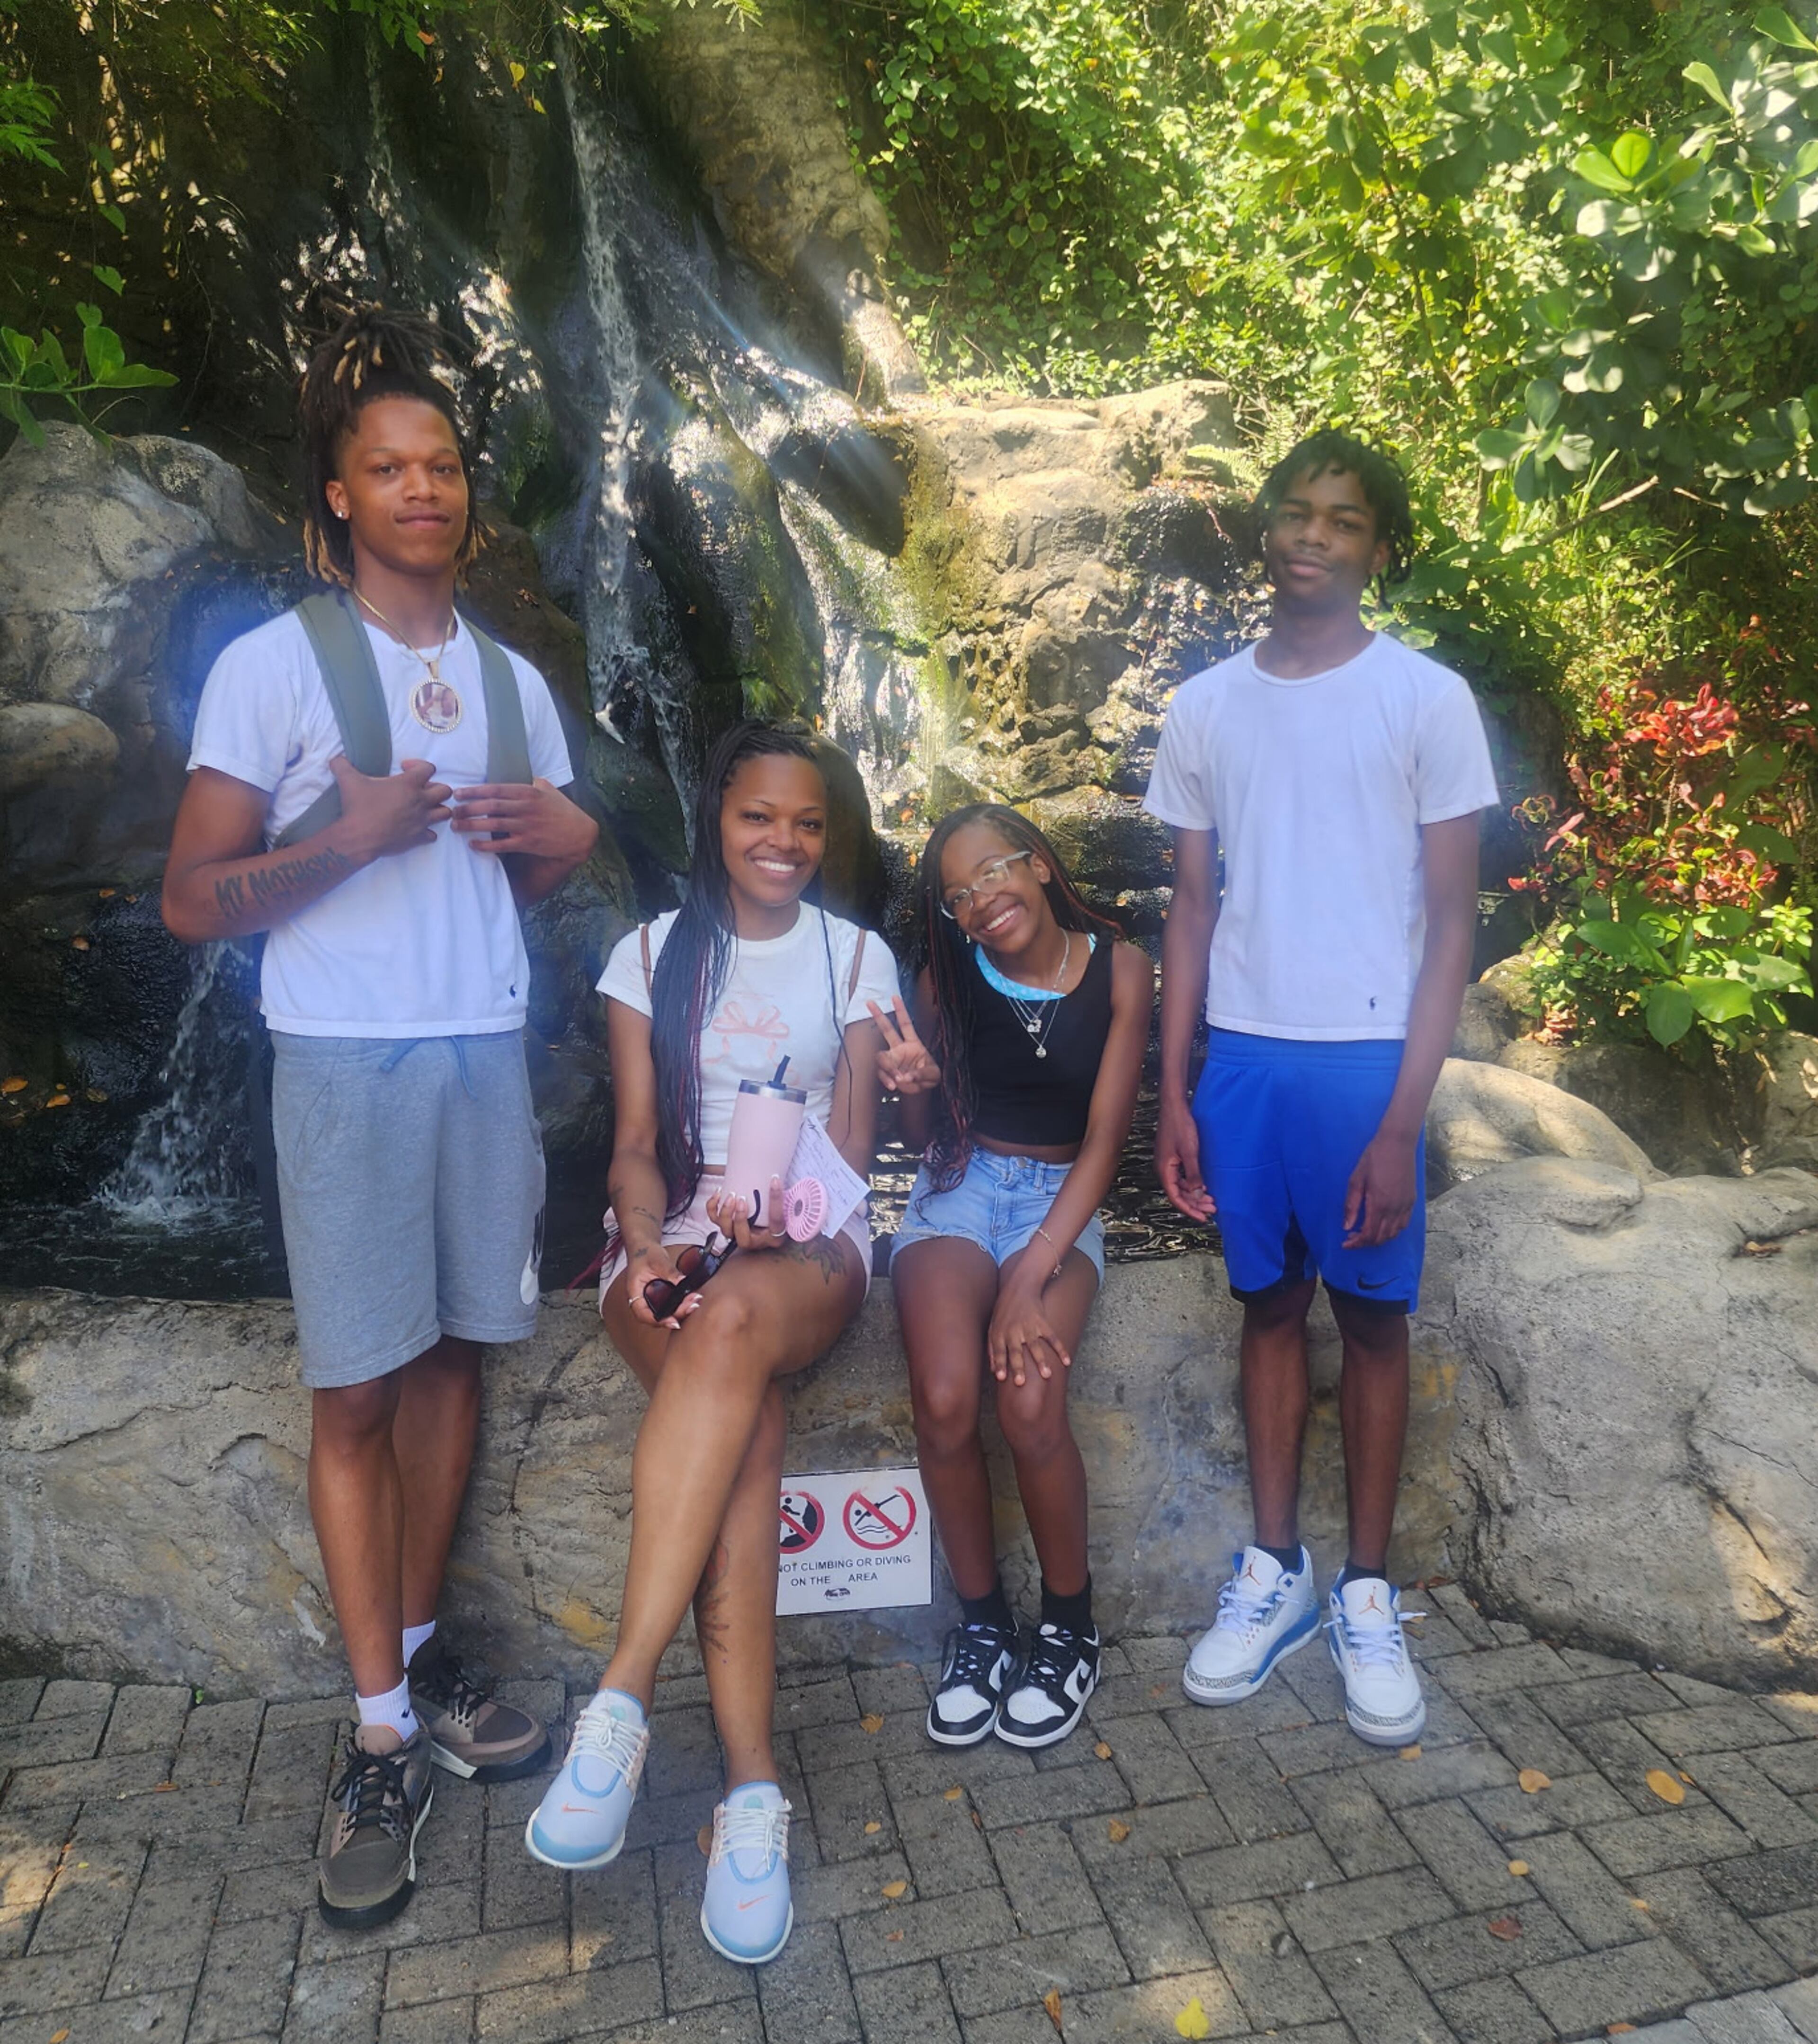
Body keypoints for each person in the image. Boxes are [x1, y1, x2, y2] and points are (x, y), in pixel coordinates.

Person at [161, 309, 598, 1928]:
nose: (425, 488)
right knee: (355, 1391)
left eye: (445, 465)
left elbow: (535, 877)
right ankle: (372, 1739)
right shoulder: (272, 665)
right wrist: (344, 839)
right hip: (341, 1058)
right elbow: (195, 898)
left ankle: (416, 1673)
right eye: (389, 466)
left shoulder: (509, 678)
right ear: (338, 496)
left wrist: (566, 831)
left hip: (482, 1048)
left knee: (449, 1363)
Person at [524, 720, 897, 1967]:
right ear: (716, 822)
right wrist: (652, 1241)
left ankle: (619, 1699)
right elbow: (636, 1141)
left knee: (735, 1321)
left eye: (806, 822)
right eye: (758, 817)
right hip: (674, 1236)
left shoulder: (858, 956)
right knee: (747, 1424)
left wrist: (783, 1213)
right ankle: (751, 1796)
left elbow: (850, 1156)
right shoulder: (648, 955)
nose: (784, 841)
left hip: (811, 1244)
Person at [1146, 430, 1497, 1747]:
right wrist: (1176, 1090)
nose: (1314, 535)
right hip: (1243, 1049)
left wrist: (1405, 1115)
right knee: (1272, 1307)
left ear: (1376, 548)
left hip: (1365, 1060)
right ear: (1265, 529)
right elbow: (1188, 905)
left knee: (1378, 1318)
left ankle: (1365, 1587)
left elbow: (1453, 924)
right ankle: (1275, 1567)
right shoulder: (1205, 707)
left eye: (1344, 520)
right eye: (1296, 512)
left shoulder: (1426, 698)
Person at [872, 806, 1151, 1749]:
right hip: (958, 1189)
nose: (983, 900)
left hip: (1058, 1200)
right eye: (958, 894)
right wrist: (910, 1091)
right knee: (948, 1399)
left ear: (1035, 862)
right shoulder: (941, 979)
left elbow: (1107, 1141)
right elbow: (925, 1147)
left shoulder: (1121, 966)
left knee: (1030, 1402)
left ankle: (1069, 1624)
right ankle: (985, 1623)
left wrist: (1033, 1273)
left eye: (993, 871)